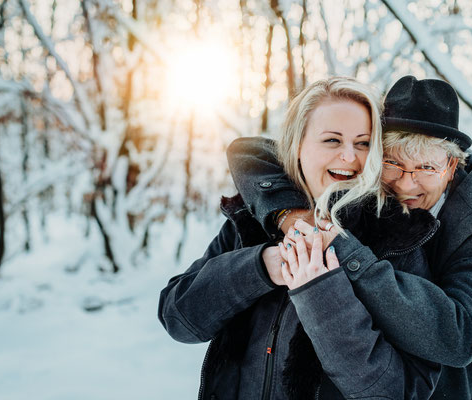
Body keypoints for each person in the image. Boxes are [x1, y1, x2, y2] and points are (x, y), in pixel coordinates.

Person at [227, 75, 472, 400]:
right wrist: (289, 215)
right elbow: (252, 153)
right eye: (393, 163)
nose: (408, 185)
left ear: (451, 166)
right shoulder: (368, 192)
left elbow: (460, 336)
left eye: (426, 168)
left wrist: (344, 250)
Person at [158, 77, 442, 400]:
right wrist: (262, 267)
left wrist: (322, 293)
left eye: (363, 143)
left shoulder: (397, 237)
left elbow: (402, 391)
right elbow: (177, 316)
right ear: (297, 146)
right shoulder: (252, 221)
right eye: (332, 141)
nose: (349, 156)